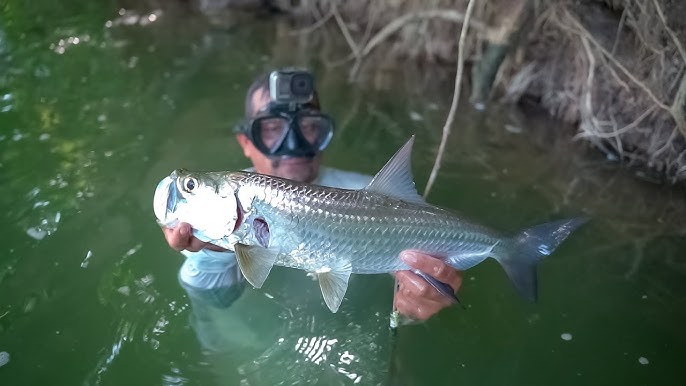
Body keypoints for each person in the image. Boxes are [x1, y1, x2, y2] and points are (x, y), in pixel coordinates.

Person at [161, 69, 463, 321]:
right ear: (246, 142)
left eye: (308, 126)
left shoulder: (372, 192)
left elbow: (419, 268)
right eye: (273, 128)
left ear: (323, 135)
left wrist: (420, 299)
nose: (293, 143)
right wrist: (211, 250)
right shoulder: (225, 205)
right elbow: (212, 300)